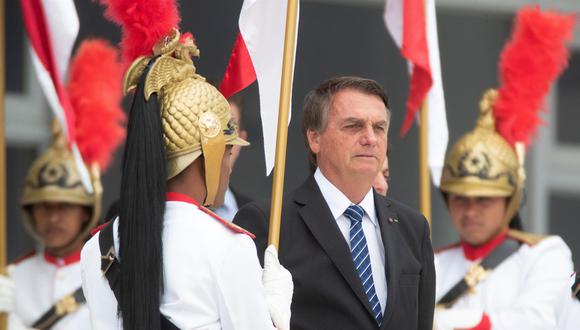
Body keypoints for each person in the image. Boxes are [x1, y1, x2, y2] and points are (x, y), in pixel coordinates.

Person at [79, 24, 292, 330]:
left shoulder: (98, 247)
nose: (230, 166)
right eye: (228, 151)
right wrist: (276, 315)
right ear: (209, 152)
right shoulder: (228, 245)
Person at [234, 76, 435, 330]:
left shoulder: (413, 228)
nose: (370, 138)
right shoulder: (269, 223)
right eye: (353, 126)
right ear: (314, 139)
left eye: (380, 128)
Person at [0, 39, 124, 330]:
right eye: (44, 208)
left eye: (64, 207)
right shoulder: (13, 277)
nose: (53, 218)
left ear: (85, 211)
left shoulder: (106, 274)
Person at [434, 90, 574, 330]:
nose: (470, 212)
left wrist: (445, 321)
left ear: (510, 200)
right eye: (460, 200)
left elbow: (536, 323)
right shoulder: (432, 261)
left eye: (483, 200)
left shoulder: (544, 254)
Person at [213, 92, 253, 221]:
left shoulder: (256, 217)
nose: (222, 143)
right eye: (213, 129)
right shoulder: (164, 210)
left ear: (242, 140)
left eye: (230, 131)